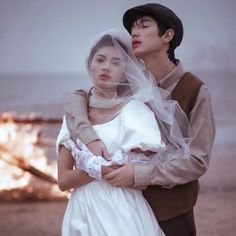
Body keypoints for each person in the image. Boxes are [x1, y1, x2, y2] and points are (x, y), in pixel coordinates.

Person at [63, 3, 216, 236]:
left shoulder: (195, 90)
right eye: (133, 28)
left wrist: (137, 174)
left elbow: (197, 161)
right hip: (122, 205)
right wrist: (88, 133)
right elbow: (88, 97)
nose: (135, 33)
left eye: (143, 26)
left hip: (170, 209)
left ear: (167, 35)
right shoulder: (128, 81)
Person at [56, 31, 177, 235]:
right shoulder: (75, 116)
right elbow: (63, 181)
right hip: (83, 211)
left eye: (115, 62)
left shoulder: (136, 112)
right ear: (90, 64)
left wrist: (100, 168)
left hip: (125, 211)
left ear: (124, 71)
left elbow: (142, 184)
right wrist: (98, 170)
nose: (106, 67)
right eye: (100, 60)